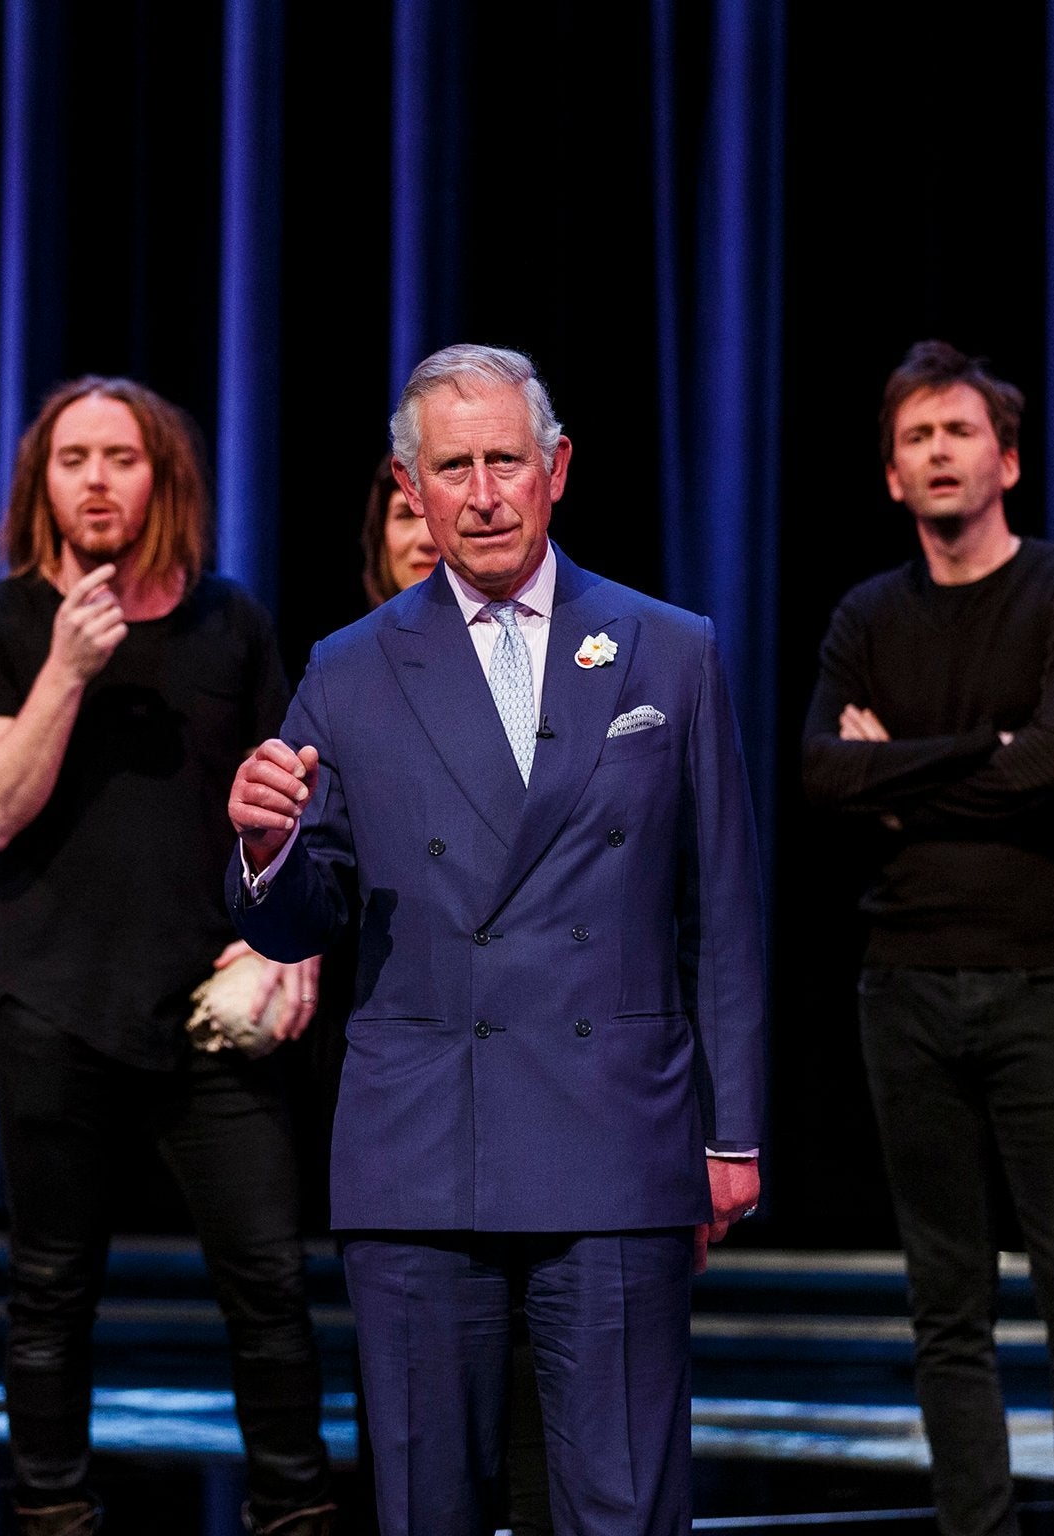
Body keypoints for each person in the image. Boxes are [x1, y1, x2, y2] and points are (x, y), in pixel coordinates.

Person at [227, 343, 766, 1536]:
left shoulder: (668, 650)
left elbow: (721, 909)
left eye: (505, 462)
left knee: (623, 1504)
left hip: (617, 1139)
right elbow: (304, 905)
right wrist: (263, 848)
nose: (481, 493)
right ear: (407, 489)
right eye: (452, 467)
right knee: (426, 1507)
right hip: (424, 1146)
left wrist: (729, 1132)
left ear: (556, 469)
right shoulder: (350, 666)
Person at [0, 376, 336, 1536]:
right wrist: (65, 667)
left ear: (161, 475)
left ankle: (293, 1507)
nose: (95, 479)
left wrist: (284, 951)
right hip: (58, 1016)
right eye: (72, 459)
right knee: (51, 1293)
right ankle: (53, 1511)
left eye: (119, 456)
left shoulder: (228, 622)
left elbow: (290, 804)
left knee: (267, 1285)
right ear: (41, 482)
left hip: (213, 1012)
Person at [801, 340, 1054, 1536]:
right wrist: (975, 754)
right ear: (891, 477)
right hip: (900, 984)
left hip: (1045, 981)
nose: (936, 453)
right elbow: (820, 777)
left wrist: (899, 769)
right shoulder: (865, 613)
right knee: (943, 1302)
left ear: (1002, 458)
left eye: (955, 433)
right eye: (913, 438)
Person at [351, 449, 549, 1536]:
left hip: (566, 1090)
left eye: (500, 465)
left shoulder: (606, 651)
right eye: (423, 494)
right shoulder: (344, 675)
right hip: (419, 1094)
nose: (459, 510)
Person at [359, 453, 440, 608]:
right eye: (406, 515)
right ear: (379, 535)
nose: (427, 540)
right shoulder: (353, 633)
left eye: (442, 515)